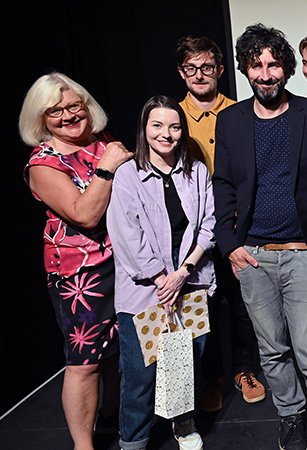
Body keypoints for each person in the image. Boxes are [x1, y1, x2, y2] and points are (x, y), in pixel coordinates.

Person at [211, 24, 307, 450]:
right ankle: (291, 416)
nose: (266, 73)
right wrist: (229, 245)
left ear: (286, 69)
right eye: (257, 65)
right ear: (245, 70)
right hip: (252, 254)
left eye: (274, 64)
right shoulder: (231, 120)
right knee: (271, 348)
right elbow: (222, 185)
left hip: (303, 254)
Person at [20, 72, 132, 450]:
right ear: (40, 119)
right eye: (55, 111)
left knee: (120, 349)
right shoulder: (43, 163)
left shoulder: (103, 142)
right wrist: (108, 167)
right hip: (79, 275)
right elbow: (85, 215)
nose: (68, 115)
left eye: (74, 105)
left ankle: (113, 416)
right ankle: (83, 446)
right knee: (86, 363)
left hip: (125, 262)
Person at [107, 96, 215, 450]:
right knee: (140, 374)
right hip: (144, 291)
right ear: (144, 129)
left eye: (174, 126)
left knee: (185, 364)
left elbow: (209, 226)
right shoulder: (127, 175)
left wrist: (183, 272)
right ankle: (133, 440)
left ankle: (184, 426)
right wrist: (159, 279)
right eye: (157, 125)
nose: (166, 134)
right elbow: (126, 235)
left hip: (190, 284)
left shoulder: (196, 171)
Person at [175, 35, 266, 413]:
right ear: (181, 72)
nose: (200, 75)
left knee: (244, 304)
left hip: (237, 225)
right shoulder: (172, 117)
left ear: (220, 71)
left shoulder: (244, 111)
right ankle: (210, 377)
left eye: (207, 68)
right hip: (192, 233)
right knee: (203, 306)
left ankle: (244, 369)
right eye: (192, 69)